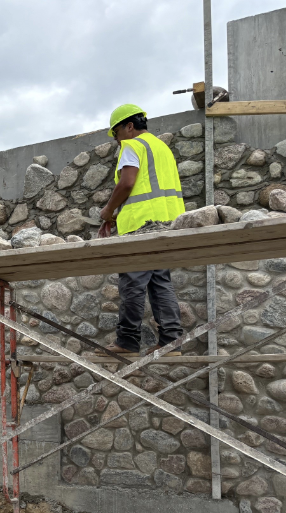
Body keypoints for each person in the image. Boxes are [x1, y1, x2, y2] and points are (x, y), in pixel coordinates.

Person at [97, 104, 185, 357]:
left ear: (129, 126)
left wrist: (108, 211)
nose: (116, 140)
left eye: (116, 133)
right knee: (160, 282)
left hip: (141, 224)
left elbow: (127, 183)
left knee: (133, 283)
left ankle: (127, 341)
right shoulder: (161, 147)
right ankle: (171, 342)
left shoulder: (132, 145)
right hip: (167, 224)